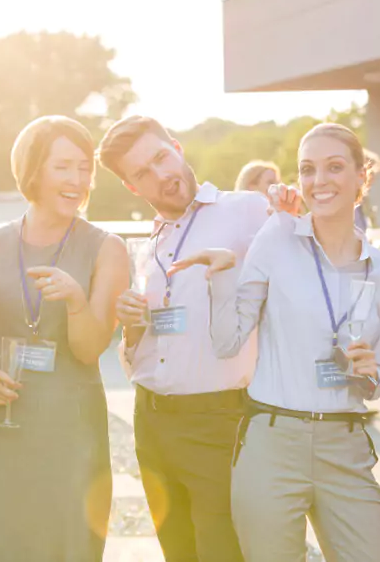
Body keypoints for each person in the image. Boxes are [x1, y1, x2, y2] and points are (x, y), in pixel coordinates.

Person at [172, 122, 380, 561]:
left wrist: (370, 375)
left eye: (334, 167)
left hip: (345, 444)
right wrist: (223, 276)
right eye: (308, 169)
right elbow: (227, 343)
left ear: (361, 177)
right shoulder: (276, 238)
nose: (319, 181)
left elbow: (377, 380)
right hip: (272, 443)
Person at [0, 115, 128, 562]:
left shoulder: (109, 249)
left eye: (85, 167)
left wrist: (75, 301)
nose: (78, 180)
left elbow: (89, 350)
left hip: (69, 437)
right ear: (32, 170)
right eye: (63, 166)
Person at [97, 115, 268, 561]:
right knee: (179, 554)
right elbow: (148, 348)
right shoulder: (152, 242)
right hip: (150, 421)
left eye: (160, 157)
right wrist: (131, 327)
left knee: (221, 552)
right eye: (141, 174)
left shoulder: (247, 208)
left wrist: (292, 211)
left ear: (177, 147)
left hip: (217, 419)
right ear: (133, 188)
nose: (160, 175)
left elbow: (315, 259)